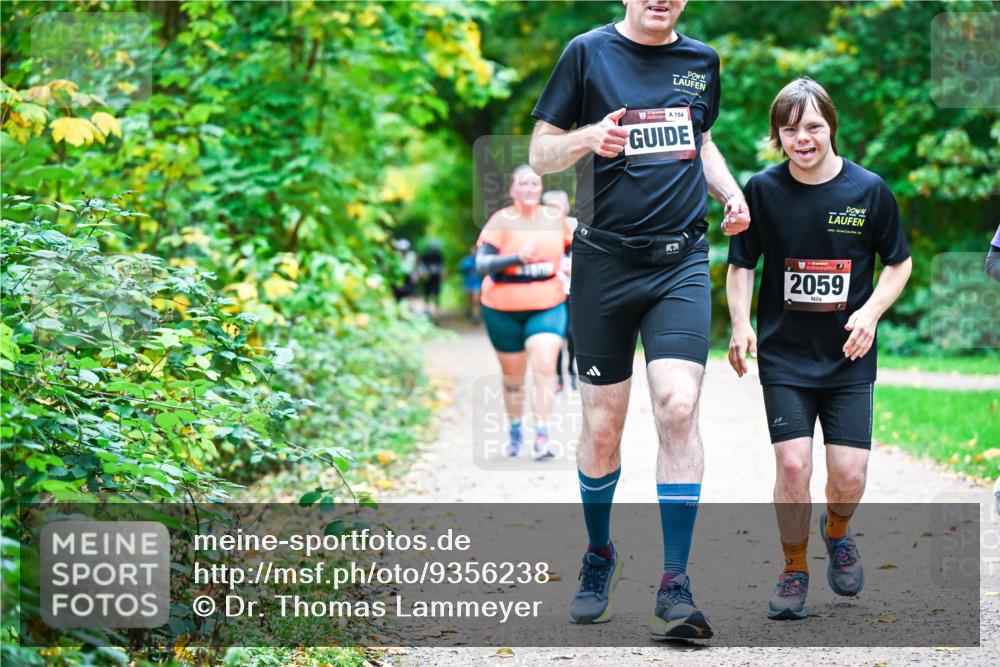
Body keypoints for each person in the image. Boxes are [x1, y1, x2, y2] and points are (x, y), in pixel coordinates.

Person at [528, 0, 751, 638]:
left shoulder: (701, 61)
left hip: (679, 260)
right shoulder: (587, 52)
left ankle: (675, 583)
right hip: (604, 261)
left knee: (677, 405)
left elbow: (701, 142)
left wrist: (730, 191)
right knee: (603, 427)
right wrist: (587, 139)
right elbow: (542, 153)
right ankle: (599, 554)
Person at [726, 78, 912, 621]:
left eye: (812, 127)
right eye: (789, 130)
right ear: (777, 136)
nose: (802, 138)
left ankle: (837, 532)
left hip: (849, 354)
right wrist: (741, 324)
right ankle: (793, 567)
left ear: (830, 126)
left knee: (849, 473)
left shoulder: (868, 190)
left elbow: (898, 262)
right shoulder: (761, 189)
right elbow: (740, 266)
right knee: (791, 464)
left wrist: (871, 313)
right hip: (784, 355)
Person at [475, 165, 573, 461]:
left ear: (540, 189)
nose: (529, 188)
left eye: (534, 183)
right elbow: (482, 265)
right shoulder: (501, 221)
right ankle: (516, 430)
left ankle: (542, 434)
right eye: (523, 184)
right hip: (501, 309)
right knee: (513, 377)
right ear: (513, 190)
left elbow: (581, 250)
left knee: (545, 365)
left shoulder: (556, 220)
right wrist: (518, 258)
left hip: (547, 304)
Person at [543, 190, 578, 392]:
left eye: (557, 206)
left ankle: (572, 371)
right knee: (554, 335)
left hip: (574, 289)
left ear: (565, 208)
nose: (554, 211)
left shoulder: (576, 226)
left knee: (573, 335)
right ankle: (557, 378)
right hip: (550, 289)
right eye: (550, 207)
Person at [419, 240, 446, 319]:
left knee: (436, 295)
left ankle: (436, 312)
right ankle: (427, 310)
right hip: (428, 277)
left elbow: (442, 266)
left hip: (436, 277)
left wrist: (442, 274)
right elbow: (422, 265)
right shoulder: (425, 255)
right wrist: (424, 274)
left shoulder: (439, 255)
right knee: (427, 294)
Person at [458, 245, 482, 324]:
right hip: (468, 283)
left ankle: (476, 316)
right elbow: (461, 269)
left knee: (476, 300)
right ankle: (471, 312)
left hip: (477, 283)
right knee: (470, 300)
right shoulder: (467, 260)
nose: (474, 252)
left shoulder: (480, 260)